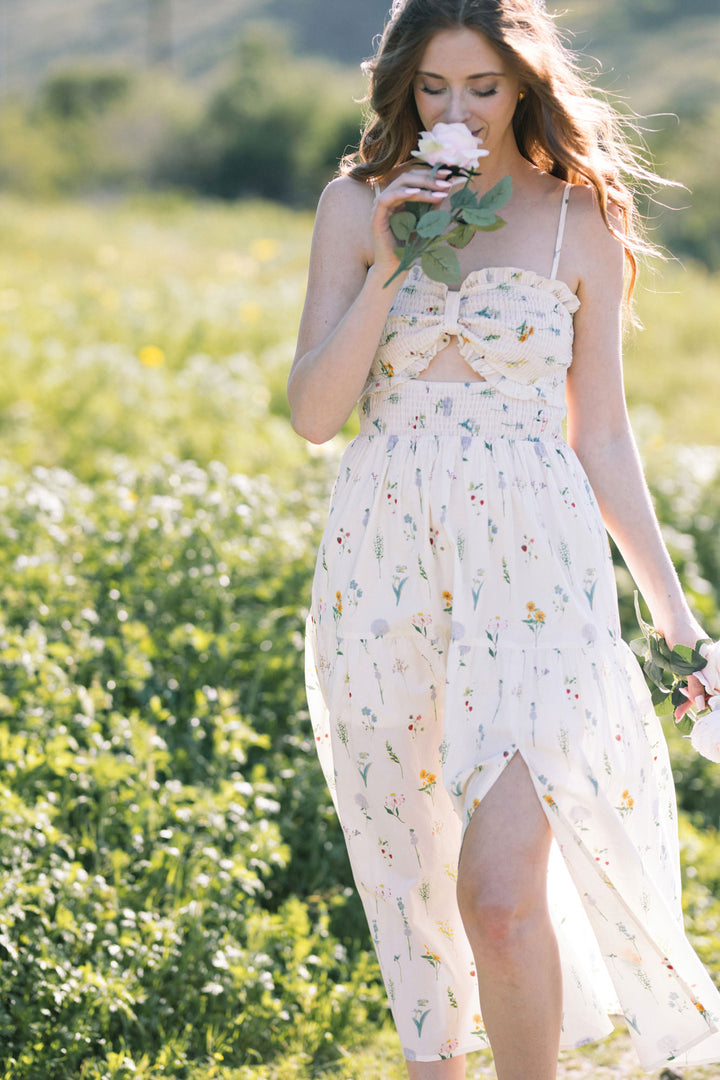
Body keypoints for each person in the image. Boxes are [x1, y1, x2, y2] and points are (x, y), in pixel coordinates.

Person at [288, 1, 720, 1077]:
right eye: (435, 88)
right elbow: (313, 413)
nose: (458, 111)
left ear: (525, 83)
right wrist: (392, 256)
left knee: (498, 890)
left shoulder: (583, 217)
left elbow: (606, 436)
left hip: (537, 571)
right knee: (414, 877)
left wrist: (678, 622)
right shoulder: (355, 205)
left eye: (482, 87)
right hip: (384, 561)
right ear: (403, 86)